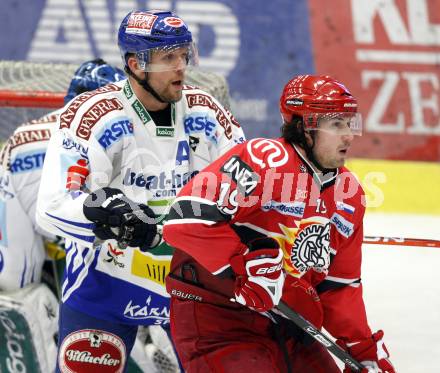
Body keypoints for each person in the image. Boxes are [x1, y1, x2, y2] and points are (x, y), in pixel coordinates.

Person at [36, 9, 245, 373]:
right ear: (135, 64)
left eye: (184, 55)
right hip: (106, 281)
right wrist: (101, 214)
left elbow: (248, 180)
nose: (181, 67)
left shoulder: (206, 111)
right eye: (168, 58)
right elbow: (52, 204)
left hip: (189, 283)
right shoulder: (93, 114)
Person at [163, 75, 396, 372]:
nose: (348, 135)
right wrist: (243, 265)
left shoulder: (348, 195)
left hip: (291, 326)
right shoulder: (262, 160)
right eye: (336, 125)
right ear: (304, 127)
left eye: (350, 123)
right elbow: (184, 219)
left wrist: (363, 349)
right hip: (221, 319)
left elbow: (339, 286)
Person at [0, 59, 125, 372]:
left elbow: (12, 268)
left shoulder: (21, 138)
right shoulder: (129, 134)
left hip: (48, 240)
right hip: (115, 262)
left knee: (14, 285)